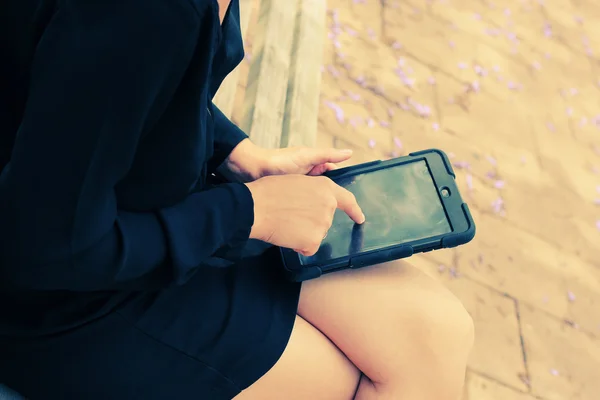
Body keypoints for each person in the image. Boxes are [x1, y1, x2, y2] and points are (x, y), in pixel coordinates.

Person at [0, 0, 474, 399]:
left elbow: (101, 88)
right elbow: (45, 248)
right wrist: (250, 212)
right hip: (71, 305)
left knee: (440, 331)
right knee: (343, 380)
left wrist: (235, 152)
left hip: (157, 218)